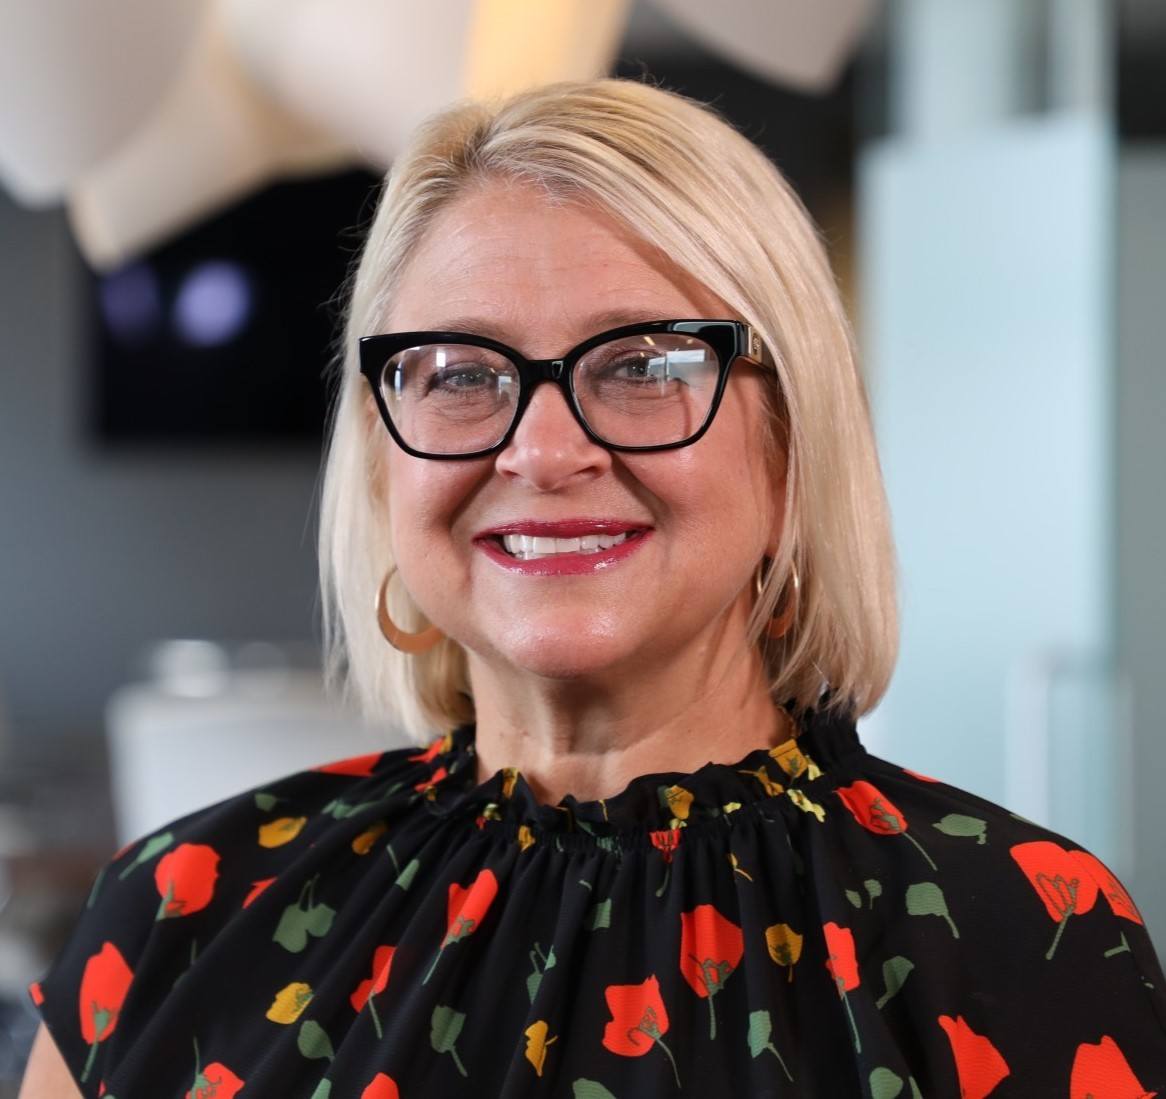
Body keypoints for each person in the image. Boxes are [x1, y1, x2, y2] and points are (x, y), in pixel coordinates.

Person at [20, 79, 1166, 1098]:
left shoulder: (1025, 933)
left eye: (643, 365)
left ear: (792, 443)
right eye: (459, 373)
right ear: (379, 461)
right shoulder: (178, 913)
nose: (542, 450)